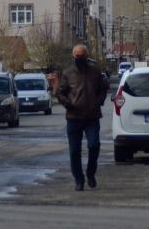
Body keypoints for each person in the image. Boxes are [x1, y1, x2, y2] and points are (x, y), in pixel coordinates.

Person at [56, 44, 108, 191]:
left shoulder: (96, 72)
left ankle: (90, 173)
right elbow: (60, 92)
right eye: (77, 56)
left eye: (83, 56)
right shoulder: (68, 73)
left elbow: (103, 90)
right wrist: (68, 104)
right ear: (73, 57)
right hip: (74, 117)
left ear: (87, 56)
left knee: (94, 146)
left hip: (92, 117)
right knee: (74, 150)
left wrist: (97, 102)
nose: (80, 58)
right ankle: (79, 180)